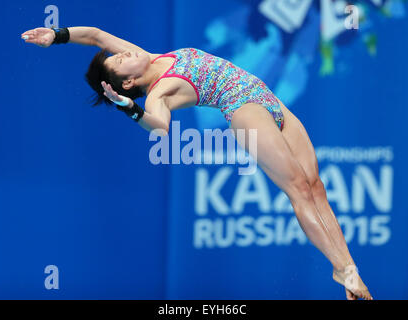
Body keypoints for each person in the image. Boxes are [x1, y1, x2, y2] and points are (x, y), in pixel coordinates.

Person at [21, 26, 373, 300]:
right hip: (243, 110)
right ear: (128, 81)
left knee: (316, 187)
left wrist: (57, 35)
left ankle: (349, 270)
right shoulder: (159, 91)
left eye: (116, 54)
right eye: (118, 60)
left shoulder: (148, 55)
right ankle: (343, 269)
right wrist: (129, 108)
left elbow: (96, 35)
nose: (121, 51)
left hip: (268, 97)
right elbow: (159, 127)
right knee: (298, 188)